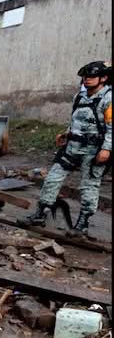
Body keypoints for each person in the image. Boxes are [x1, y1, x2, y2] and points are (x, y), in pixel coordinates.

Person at [19, 61, 111, 237]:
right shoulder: (80, 97)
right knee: (52, 178)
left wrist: (106, 149)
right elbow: (76, 120)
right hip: (72, 147)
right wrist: (66, 134)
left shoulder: (108, 98)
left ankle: (82, 224)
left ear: (103, 78)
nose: (87, 79)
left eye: (91, 76)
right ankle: (41, 213)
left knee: (89, 185)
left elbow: (111, 127)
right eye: (85, 76)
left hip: (93, 150)